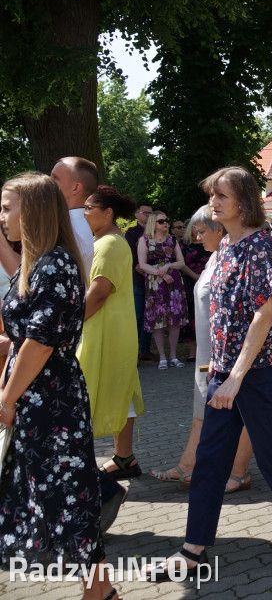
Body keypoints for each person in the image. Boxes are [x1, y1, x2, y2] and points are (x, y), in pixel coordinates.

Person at [147, 166, 272, 578]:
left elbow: (264, 315)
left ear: (243, 202)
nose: (213, 203)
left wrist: (236, 377)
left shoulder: (260, 247)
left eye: (221, 196)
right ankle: (192, 551)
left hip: (256, 373)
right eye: (212, 196)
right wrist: (221, 373)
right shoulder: (225, 245)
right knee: (210, 461)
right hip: (226, 372)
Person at [0, 173, 120, 600]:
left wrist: (7, 397)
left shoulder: (57, 265)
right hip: (36, 400)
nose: (2, 218)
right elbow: (19, 334)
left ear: (31, 211)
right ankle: (101, 593)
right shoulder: (37, 263)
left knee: (69, 500)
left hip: (52, 403)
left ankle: (99, 592)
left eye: (6, 208)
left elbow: (39, 343)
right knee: (49, 499)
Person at [150, 206, 255, 493]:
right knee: (202, 406)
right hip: (209, 349)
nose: (196, 236)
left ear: (220, 229)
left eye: (201, 230)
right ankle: (189, 463)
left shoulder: (236, 253)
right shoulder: (214, 258)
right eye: (194, 230)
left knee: (243, 411)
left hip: (230, 350)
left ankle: (238, 470)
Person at [79, 186, 147, 482]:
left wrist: (65, 325)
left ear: (108, 213)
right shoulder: (109, 240)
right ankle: (124, 458)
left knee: (91, 389)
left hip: (104, 329)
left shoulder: (108, 243)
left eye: (88, 208)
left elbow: (97, 295)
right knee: (121, 390)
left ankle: (86, 461)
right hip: (114, 328)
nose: (83, 213)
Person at [139, 209, 189, 368]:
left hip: (173, 282)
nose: (165, 223)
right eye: (161, 221)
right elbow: (142, 264)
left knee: (174, 319)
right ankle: (162, 357)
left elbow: (181, 262)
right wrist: (160, 274)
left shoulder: (172, 240)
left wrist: (168, 266)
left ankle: (173, 356)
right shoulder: (145, 240)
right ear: (153, 223)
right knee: (158, 320)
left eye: (166, 220)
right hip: (155, 283)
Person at [50, 156, 98, 272]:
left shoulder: (71, 229)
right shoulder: (74, 224)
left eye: (55, 179)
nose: (47, 183)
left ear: (76, 188)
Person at [180, 217, 213, 362]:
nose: (196, 230)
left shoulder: (211, 243)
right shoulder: (184, 244)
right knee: (193, 315)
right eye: (193, 227)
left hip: (210, 280)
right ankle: (193, 351)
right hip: (190, 281)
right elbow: (181, 263)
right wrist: (195, 276)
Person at [125, 200, 154, 360]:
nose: (148, 216)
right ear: (137, 214)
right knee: (136, 316)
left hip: (155, 281)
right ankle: (132, 352)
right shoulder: (131, 233)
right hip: (137, 280)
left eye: (151, 213)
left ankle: (145, 350)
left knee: (150, 316)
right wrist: (138, 265)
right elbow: (130, 253)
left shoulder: (155, 232)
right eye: (145, 213)